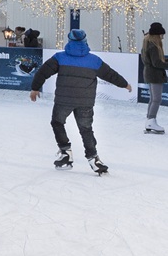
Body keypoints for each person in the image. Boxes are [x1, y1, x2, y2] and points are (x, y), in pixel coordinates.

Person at [29, 28, 131, 174]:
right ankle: (94, 159)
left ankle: (65, 152)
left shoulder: (60, 57)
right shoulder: (94, 60)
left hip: (63, 100)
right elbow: (111, 75)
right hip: (85, 102)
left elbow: (43, 72)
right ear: (85, 41)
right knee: (86, 130)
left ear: (69, 41)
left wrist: (35, 88)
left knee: (57, 123)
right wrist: (125, 84)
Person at [142, 22, 166, 135]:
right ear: (157, 35)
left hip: (151, 73)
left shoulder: (149, 43)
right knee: (156, 99)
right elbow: (157, 63)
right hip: (154, 75)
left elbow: (157, 62)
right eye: (161, 35)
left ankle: (149, 120)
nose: (163, 37)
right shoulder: (153, 46)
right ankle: (151, 120)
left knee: (153, 99)